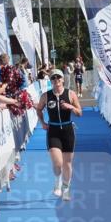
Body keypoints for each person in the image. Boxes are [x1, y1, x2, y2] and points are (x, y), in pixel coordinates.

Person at [36, 68, 82, 201]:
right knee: (58, 162)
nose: (56, 80)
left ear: (63, 79)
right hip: (53, 131)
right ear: (50, 81)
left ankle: (66, 189)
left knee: (67, 163)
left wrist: (71, 107)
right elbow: (39, 109)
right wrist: (42, 122)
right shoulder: (45, 96)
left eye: (58, 77)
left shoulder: (70, 94)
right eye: (53, 78)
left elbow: (80, 113)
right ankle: (57, 183)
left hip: (68, 131)